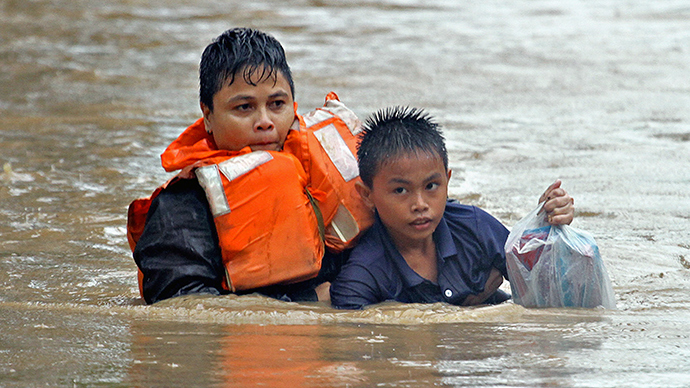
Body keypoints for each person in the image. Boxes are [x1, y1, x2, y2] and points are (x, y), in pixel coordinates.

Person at [126, 27, 371, 304]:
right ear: (208, 115)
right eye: (244, 107)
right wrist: (312, 302)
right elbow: (180, 310)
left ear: (294, 106)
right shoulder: (181, 208)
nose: (264, 121)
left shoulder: (325, 174)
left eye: (277, 104)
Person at [329, 107, 575, 309]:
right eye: (401, 190)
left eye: (431, 186)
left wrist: (545, 228)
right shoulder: (364, 273)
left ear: (447, 181)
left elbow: (550, 291)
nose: (420, 204)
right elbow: (349, 336)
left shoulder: (475, 228)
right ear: (367, 195)